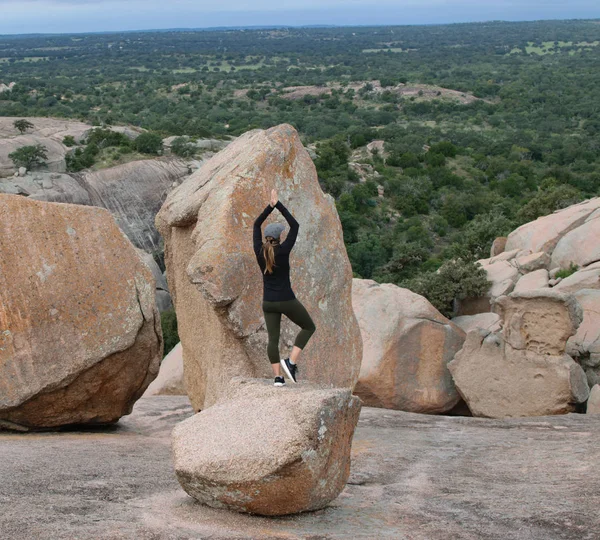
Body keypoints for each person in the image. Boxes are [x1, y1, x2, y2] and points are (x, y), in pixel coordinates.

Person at [253, 189, 316, 387]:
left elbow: (256, 224)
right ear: (279, 238)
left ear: (265, 238)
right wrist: (277, 204)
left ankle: (278, 378)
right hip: (287, 300)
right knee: (308, 327)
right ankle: (291, 361)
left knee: (273, 339)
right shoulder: (284, 250)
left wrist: (268, 208)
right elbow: (295, 225)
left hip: (268, 302)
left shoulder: (258, 250)